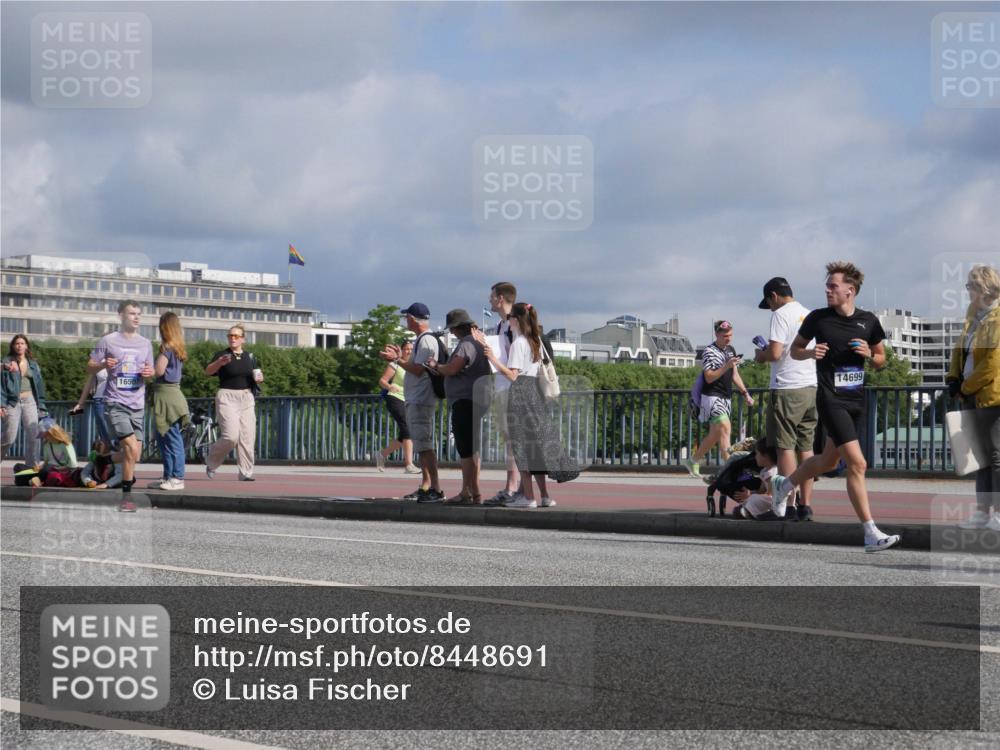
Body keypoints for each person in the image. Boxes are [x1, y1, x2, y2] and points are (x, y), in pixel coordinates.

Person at [771, 261, 901, 552]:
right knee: (858, 464)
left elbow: (881, 359)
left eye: (833, 286)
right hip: (830, 399)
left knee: (828, 462)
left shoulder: (868, 321)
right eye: (827, 285)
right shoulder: (818, 318)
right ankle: (870, 533)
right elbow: (794, 350)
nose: (827, 290)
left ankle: (784, 485)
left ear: (849, 291)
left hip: (856, 400)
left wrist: (870, 355)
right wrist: (810, 353)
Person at [480, 302, 578, 508]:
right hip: (535, 393)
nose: (508, 321)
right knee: (535, 446)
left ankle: (528, 497)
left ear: (515, 320)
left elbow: (513, 375)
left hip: (520, 395)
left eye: (510, 318)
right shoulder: (535, 341)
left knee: (521, 447)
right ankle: (544, 495)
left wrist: (493, 359)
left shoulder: (519, 343)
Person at [754, 277, 818, 520]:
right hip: (810, 386)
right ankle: (806, 506)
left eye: (769, 303)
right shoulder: (808, 314)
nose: (770, 308)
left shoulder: (780, 315)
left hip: (786, 388)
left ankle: (787, 506)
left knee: (785, 448)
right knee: (806, 449)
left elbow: (775, 353)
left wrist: (760, 355)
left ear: (774, 296)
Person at [88, 300, 154, 512]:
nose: (136, 317)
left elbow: (151, 370)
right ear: (121, 315)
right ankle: (126, 499)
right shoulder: (108, 341)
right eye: (132, 313)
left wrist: (149, 373)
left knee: (135, 455)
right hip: (115, 402)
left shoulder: (145, 343)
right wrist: (102, 364)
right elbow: (90, 366)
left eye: (138, 314)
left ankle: (104, 459)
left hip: (138, 404)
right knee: (130, 448)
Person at [948, 265, 1000, 530]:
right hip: (971, 395)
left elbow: (993, 363)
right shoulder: (973, 315)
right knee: (980, 456)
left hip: (992, 396)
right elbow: (961, 350)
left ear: (984, 289)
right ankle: (982, 512)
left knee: (997, 455)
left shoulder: (997, 318)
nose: (967, 291)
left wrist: (966, 387)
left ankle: (998, 513)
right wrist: (953, 378)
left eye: (971, 286)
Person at [379, 303, 444, 503]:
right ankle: (426, 486)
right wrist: (399, 357)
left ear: (414, 319)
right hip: (418, 398)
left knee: (424, 445)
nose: (405, 321)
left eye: (407, 317)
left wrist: (397, 360)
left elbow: (418, 370)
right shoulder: (423, 339)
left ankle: (435, 488)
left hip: (421, 398)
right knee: (422, 445)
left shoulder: (426, 341)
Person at [427, 309, 492, 504]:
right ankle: (473, 491)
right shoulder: (479, 342)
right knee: (472, 448)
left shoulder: (466, 344)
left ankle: (468, 492)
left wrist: (436, 365)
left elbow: (453, 368)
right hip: (478, 398)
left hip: (465, 400)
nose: (452, 333)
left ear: (457, 328)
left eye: (452, 329)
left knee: (465, 449)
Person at [683, 321, 753, 477]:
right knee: (725, 428)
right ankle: (730, 470)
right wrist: (726, 366)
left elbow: (735, 375)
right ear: (717, 334)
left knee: (716, 434)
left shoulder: (731, 350)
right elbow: (709, 377)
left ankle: (693, 460)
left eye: (730, 335)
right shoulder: (709, 351)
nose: (728, 338)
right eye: (725, 336)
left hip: (726, 397)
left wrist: (745, 393)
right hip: (712, 396)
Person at [204, 324, 263, 482]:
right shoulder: (221, 355)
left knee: (247, 437)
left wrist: (259, 378)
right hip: (227, 397)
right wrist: (219, 363)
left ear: (243, 339)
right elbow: (208, 371)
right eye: (230, 336)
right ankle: (211, 462)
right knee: (231, 437)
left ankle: (245, 472)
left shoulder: (250, 357)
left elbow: (257, 374)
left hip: (246, 397)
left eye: (236, 336)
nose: (232, 338)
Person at [485, 281, 520, 506]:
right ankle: (513, 486)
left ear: (500, 298)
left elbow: (516, 360)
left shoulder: (514, 324)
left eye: (492, 296)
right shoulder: (501, 325)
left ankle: (513, 487)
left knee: (513, 440)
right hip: (502, 385)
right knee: (509, 440)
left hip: (511, 387)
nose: (489, 300)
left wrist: (492, 356)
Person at [148, 312, 190, 491]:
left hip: (167, 397)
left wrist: (144, 369)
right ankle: (169, 476)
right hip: (171, 395)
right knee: (165, 438)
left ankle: (177, 478)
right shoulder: (178, 347)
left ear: (164, 328)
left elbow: (158, 371)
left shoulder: (167, 347)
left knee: (171, 439)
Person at [1, 334, 48, 469]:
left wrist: (41, 405)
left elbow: (39, 385)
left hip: (30, 400)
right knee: (9, 437)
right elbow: (1, 385)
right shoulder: (6, 362)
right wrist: (1, 404)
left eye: (22, 343)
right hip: (12, 402)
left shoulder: (33, 364)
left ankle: (32, 469)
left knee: (34, 436)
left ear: (26, 346)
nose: (19, 346)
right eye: (17, 343)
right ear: (13, 346)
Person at [705, 438, 780, 520]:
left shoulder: (772, 473)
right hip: (766, 497)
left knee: (753, 498)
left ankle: (754, 512)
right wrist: (750, 492)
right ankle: (749, 510)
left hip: (773, 500)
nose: (755, 457)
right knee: (751, 498)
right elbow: (761, 490)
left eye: (757, 454)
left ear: (765, 456)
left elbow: (770, 495)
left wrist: (751, 495)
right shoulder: (764, 471)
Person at [375, 340, 419, 474]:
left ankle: (382, 454)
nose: (409, 351)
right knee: (407, 429)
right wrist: (390, 387)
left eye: (411, 349)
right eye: (406, 349)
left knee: (405, 433)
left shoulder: (414, 365)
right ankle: (409, 465)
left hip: (409, 401)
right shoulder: (395, 363)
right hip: (395, 398)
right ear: (401, 350)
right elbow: (382, 380)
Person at [28, 419, 78, 488]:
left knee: (52, 475)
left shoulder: (66, 444)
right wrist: (39, 466)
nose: (44, 438)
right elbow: (46, 462)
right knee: (19, 467)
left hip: (63, 471)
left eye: (46, 435)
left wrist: (59, 469)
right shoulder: (47, 444)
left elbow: (72, 465)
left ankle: (38, 481)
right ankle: (38, 480)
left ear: (53, 433)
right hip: (49, 469)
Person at [68, 368, 113, 446]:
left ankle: (118, 450)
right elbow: (89, 383)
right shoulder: (97, 362)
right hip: (100, 400)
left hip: (120, 400)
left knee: (120, 431)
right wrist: (80, 403)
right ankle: (109, 449)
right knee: (105, 432)